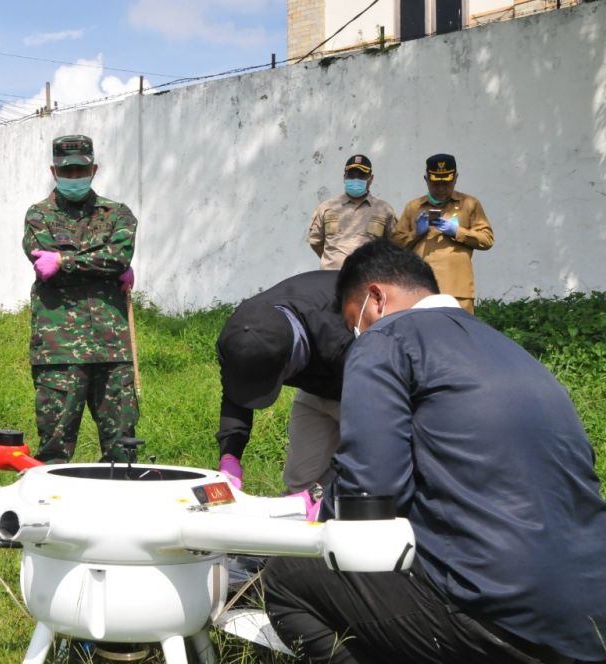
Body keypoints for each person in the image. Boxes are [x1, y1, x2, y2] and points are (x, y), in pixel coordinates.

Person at [262, 239, 606, 664]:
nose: (357, 334)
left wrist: (317, 511)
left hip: (496, 615)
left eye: (357, 322)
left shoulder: (385, 338)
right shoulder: (508, 350)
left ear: (376, 298)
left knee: (284, 578)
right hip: (590, 618)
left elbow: (372, 493)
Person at [23, 134, 137, 464]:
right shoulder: (38, 215)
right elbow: (44, 264)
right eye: (66, 171)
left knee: (124, 449)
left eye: (80, 170)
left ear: (93, 168)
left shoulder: (118, 213)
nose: (74, 177)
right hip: (59, 351)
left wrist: (65, 261)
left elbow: (119, 257)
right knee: (54, 451)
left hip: (111, 350)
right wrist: (104, 261)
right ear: (54, 171)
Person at [215, 271, 352, 505]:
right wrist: (230, 456)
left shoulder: (341, 334)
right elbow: (236, 391)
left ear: (288, 364)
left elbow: (370, 440)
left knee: (360, 489)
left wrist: (319, 492)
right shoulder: (242, 331)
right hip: (316, 387)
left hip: (359, 387)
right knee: (299, 484)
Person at [391, 153, 493, 313]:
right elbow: (394, 244)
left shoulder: (469, 204)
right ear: (426, 179)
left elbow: (487, 239)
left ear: (456, 178)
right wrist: (415, 234)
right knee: (424, 333)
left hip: (458, 289)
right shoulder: (414, 207)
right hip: (422, 288)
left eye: (446, 183)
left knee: (459, 335)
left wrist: (458, 232)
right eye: (435, 183)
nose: (441, 189)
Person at [307, 154, 397, 269]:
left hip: (367, 278)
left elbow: (395, 245)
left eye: (362, 175)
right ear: (344, 177)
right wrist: (334, 261)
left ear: (371, 178)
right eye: (351, 175)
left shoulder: (384, 210)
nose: (356, 179)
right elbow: (316, 242)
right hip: (331, 278)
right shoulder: (326, 208)